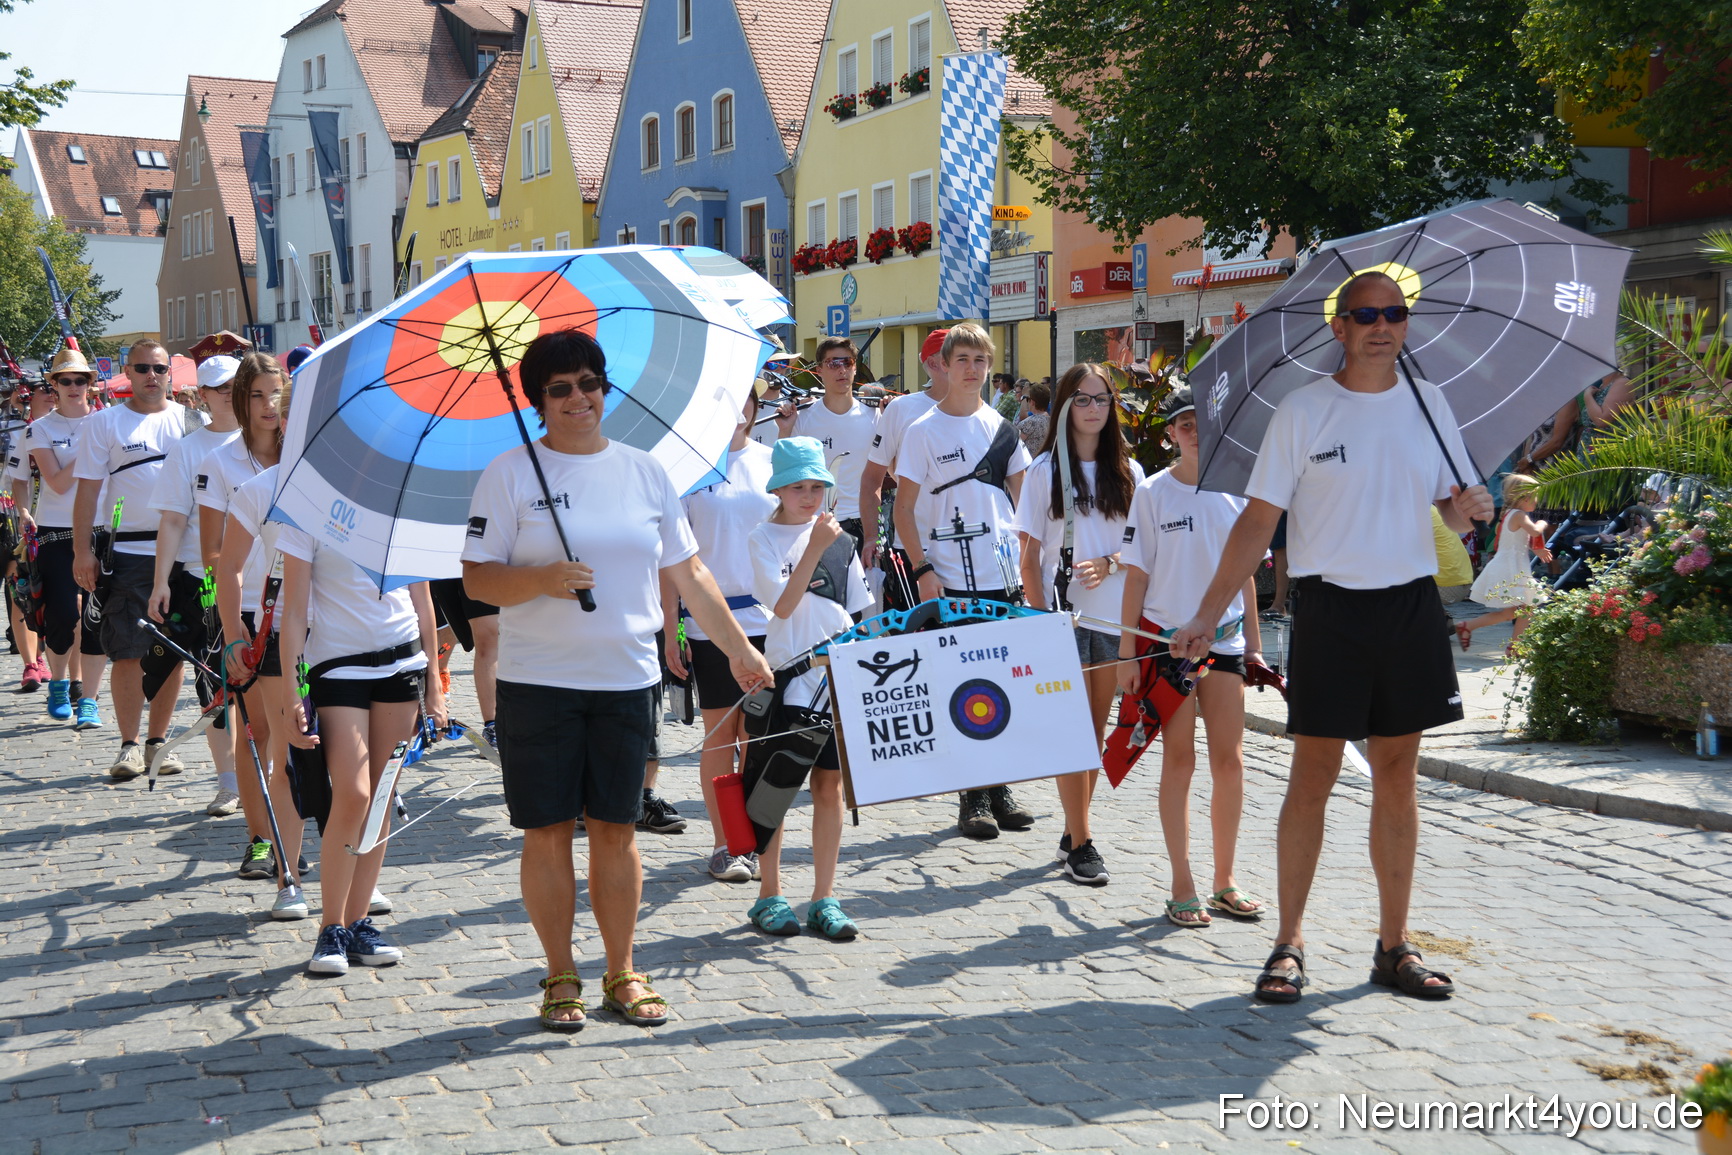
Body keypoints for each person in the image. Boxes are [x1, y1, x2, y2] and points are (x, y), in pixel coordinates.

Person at [1169, 271, 1492, 1002]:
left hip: (1409, 605)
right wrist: (1205, 613)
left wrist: (1469, 507)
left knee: (1397, 776)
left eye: (1395, 313)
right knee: (1311, 777)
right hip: (1329, 610)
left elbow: (1451, 511)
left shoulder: (1429, 404)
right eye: (1366, 314)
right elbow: (1257, 525)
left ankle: (1393, 946)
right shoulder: (1303, 410)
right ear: (1339, 328)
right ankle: (1288, 942)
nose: (1383, 324)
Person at [462, 329, 774, 1031]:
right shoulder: (511, 473)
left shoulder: (646, 472)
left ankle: (621, 969)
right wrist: (540, 579)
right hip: (536, 683)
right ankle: (559, 972)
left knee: (617, 827)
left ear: (606, 388)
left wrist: (738, 649)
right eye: (560, 388)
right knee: (546, 831)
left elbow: (688, 574)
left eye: (589, 383)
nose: (579, 398)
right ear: (538, 401)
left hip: (625, 681)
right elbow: (477, 575)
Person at [277, 467, 444, 975]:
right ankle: (330, 926)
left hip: (402, 662)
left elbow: (422, 602)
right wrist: (290, 693)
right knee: (352, 793)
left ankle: (356, 923)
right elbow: (294, 610)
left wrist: (435, 684)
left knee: (385, 795)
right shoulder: (305, 507)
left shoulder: (403, 502)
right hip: (338, 668)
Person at [1118, 386, 1265, 925]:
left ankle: (1225, 879)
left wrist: (1253, 644)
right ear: (1170, 434)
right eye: (1183, 424)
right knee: (1179, 759)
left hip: (1223, 642)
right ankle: (1182, 881)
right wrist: (1128, 651)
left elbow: (1246, 574)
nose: (1194, 431)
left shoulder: (1239, 491)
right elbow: (1136, 574)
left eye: (1202, 421)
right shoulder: (1153, 492)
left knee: (1230, 761)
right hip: (1167, 644)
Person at [893, 322, 1035, 839]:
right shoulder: (922, 431)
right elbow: (903, 511)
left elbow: (1026, 507)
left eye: (981, 360)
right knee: (963, 685)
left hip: (1003, 577)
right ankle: (970, 798)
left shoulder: (1003, 428)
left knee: (999, 684)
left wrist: (1030, 569)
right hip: (950, 577)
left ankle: (999, 788)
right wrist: (923, 569)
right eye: (963, 360)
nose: (972, 370)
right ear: (944, 367)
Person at [1016, 363, 1143, 885]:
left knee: (1093, 732)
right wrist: (1040, 619)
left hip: (1113, 618)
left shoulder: (1128, 472)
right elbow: (1028, 558)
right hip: (1063, 621)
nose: (1094, 409)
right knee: (1072, 734)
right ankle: (1083, 842)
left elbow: (1140, 549)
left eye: (1102, 400)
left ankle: (1075, 829)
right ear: (1065, 406)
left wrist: (1110, 564)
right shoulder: (1045, 470)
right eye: (1083, 400)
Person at [744, 437, 872, 939]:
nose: (809, 496)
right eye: (799, 486)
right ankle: (769, 893)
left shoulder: (840, 541)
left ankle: (824, 895)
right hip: (785, 675)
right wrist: (814, 547)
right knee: (774, 787)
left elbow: (857, 611)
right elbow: (782, 606)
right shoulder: (762, 538)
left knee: (829, 787)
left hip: (835, 676)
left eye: (817, 486)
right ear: (778, 489)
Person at [207, 356, 314, 910]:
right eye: (259, 397)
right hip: (259, 620)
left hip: (322, 621)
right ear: (241, 402)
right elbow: (218, 556)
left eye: (280, 396)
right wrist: (234, 631)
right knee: (270, 743)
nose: (271, 407)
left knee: (328, 746)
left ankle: (344, 860)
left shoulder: (318, 466)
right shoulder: (230, 465)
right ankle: (265, 842)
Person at [661, 391, 775, 882]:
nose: (736, 412)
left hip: (773, 623)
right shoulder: (688, 473)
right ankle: (725, 842)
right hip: (712, 625)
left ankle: (752, 841)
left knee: (759, 739)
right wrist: (673, 627)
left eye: (744, 401)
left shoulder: (775, 461)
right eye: (725, 402)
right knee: (719, 737)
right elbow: (672, 562)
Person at [72, 341, 199, 776]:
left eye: (159, 368)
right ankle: (128, 745)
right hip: (126, 552)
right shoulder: (104, 423)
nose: (151, 375)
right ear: (128, 372)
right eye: (142, 368)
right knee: (126, 652)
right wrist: (81, 551)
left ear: (170, 373)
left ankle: (157, 743)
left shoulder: (190, 421)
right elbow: (87, 492)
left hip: (182, 554)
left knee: (173, 651)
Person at [146, 354, 243, 810]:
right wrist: (160, 582)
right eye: (221, 387)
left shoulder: (271, 440)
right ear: (201, 395)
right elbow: (170, 521)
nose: (230, 393)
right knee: (214, 684)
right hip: (201, 580)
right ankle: (229, 780)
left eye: (237, 384)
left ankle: (270, 772)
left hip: (264, 582)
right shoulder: (188, 450)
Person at [11, 358, 92, 722]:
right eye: (65, 380)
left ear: (90, 383)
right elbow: (56, 482)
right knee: (62, 614)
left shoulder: (105, 423)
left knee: (93, 618)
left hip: (101, 528)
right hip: (56, 531)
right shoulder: (39, 429)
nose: (73, 386)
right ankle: (58, 682)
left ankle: (86, 694)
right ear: (54, 385)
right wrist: (91, 450)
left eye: (80, 380)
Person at [857, 328, 949, 575]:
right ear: (933, 363)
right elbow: (871, 479)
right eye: (958, 356)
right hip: (913, 547)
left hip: (970, 545)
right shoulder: (902, 408)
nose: (968, 366)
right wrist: (872, 537)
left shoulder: (982, 414)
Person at [792, 337, 879, 556]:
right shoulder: (803, 418)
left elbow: (893, 473)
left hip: (862, 525)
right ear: (819, 370)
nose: (841, 369)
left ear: (855, 367)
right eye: (833, 363)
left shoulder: (875, 416)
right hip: (815, 524)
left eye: (847, 362)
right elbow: (790, 475)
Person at [1456, 473, 1551, 652]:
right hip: (1510, 568)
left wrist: (1538, 549)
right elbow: (1535, 531)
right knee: (1524, 609)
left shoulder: (1511, 514)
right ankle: (1514, 646)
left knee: (1514, 612)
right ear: (1523, 497)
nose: (1537, 500)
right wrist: (1542, 523)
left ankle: (1470, 627)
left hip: (1511, 565)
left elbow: (1519, 540)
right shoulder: (1519, 515)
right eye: (1534, 496)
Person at [1015, 379, 1051, 457]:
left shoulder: (1029, 423)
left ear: (1032, 402)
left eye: (1028, 399)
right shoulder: (1052, 422)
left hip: (1030, 465)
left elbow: (1014, 444)